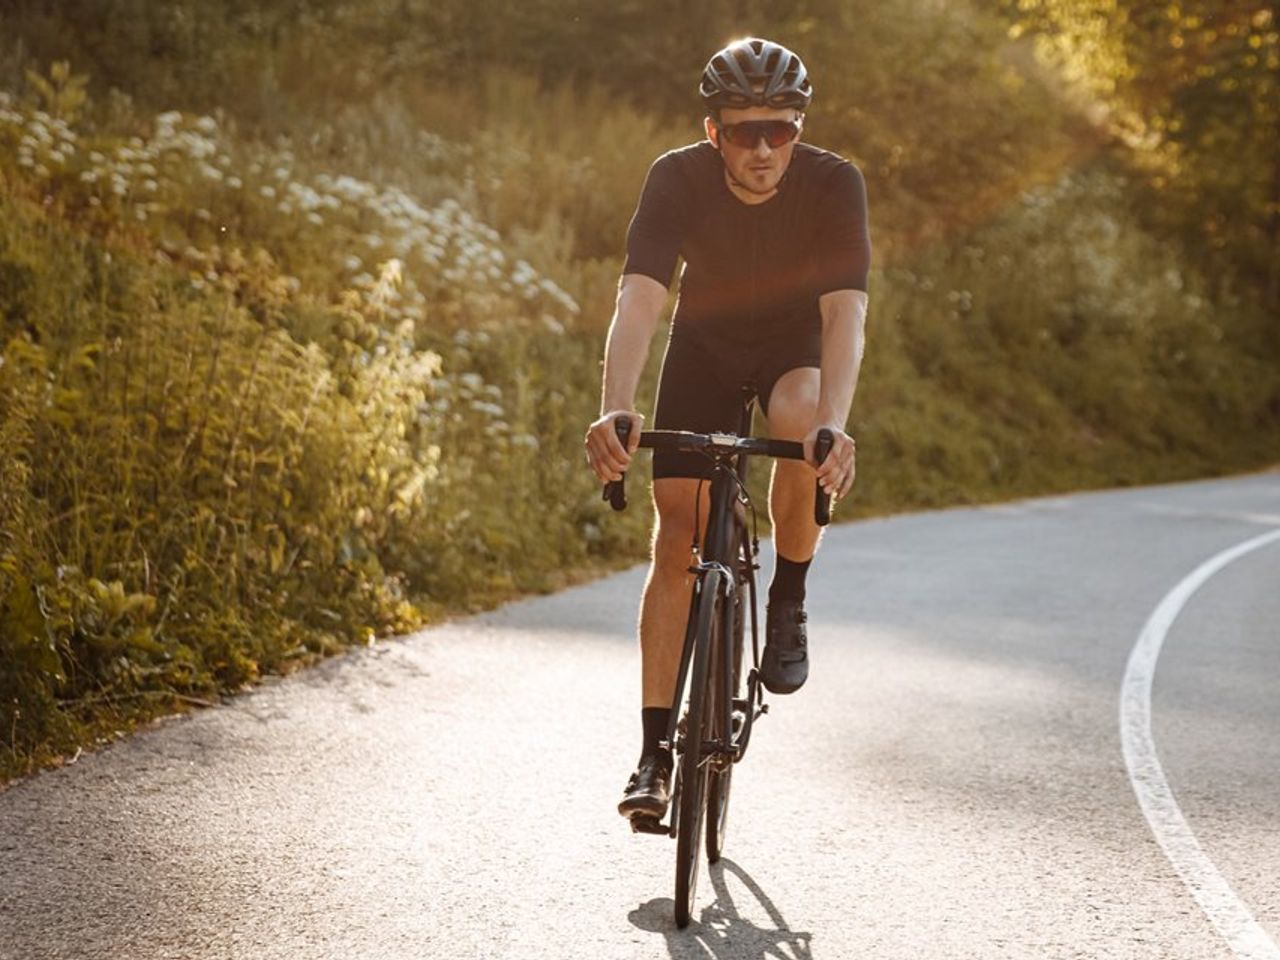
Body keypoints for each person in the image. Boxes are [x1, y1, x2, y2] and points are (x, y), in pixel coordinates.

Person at [583, 37, 871, 821]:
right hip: (703, 347)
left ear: (798, 128)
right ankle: (652, 755)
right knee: (679, 529)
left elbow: (846, 312)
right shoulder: (675, 178)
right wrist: (617, 403)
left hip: (792, 350)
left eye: (781, 129)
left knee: (801, 419)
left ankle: (789, 599)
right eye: (745, 131)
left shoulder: (834, 183)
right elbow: (639, 297)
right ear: (713, 132)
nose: (765, 148)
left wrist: (835, 427)